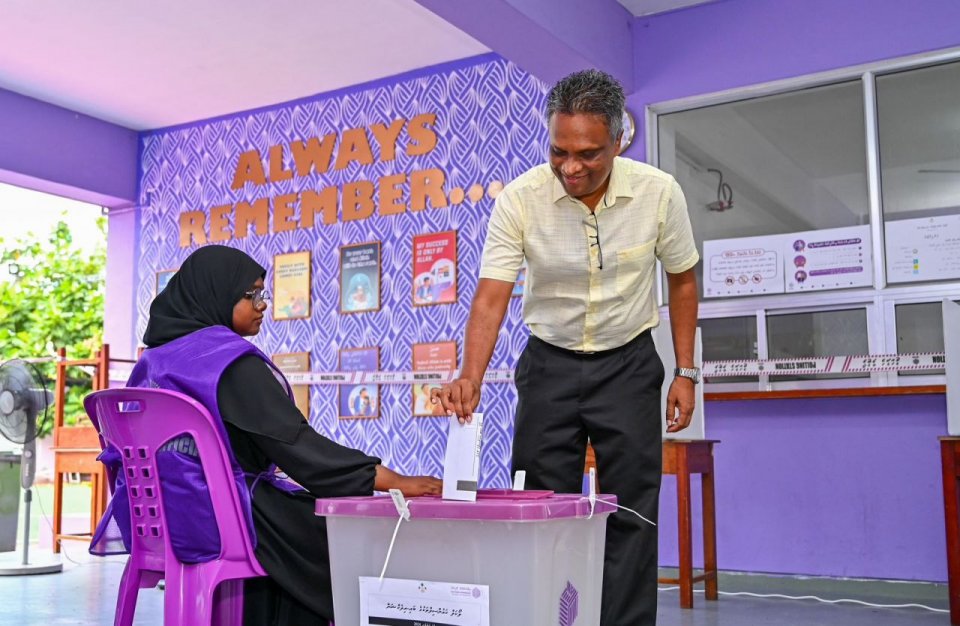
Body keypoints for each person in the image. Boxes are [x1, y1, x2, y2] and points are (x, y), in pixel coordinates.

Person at [433, 69, 700, 626]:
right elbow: (491, 296)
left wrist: (686, 371)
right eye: (559, 151)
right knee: (540, 509)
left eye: (588, 153)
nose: (571, 167)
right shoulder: (522, 200)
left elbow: (682, 278)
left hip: (628, 363)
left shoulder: (658, 193)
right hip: (549, 365)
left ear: (618, 141)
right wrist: (470, 375)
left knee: (631, 511)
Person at [118, 245, 441, 625]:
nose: (262, 304)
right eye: (251, 294)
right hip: (229, 519)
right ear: (216, 293)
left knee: (296, 525)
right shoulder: (226, 363)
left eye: (262, 293)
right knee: (348, 535)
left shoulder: (154, 362)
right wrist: (391, 480)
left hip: (166, 524)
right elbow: (298, 448)